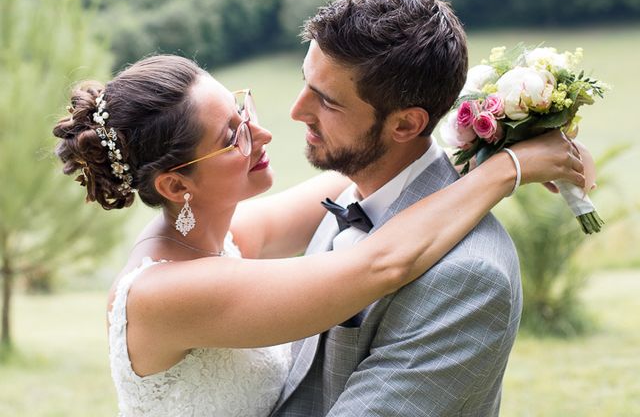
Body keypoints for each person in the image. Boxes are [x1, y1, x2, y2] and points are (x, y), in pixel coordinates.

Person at [52, 52, 583, 417]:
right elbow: (382, 264)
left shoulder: (217, 234)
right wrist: (508, 168)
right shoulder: (163, 294)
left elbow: (377, 165)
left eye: (241, 108)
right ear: (175, 183)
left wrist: (491, 118)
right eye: (232, 135)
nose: (260, 131)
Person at [269, 0, 586, 417]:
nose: (297, 110)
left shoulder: (470, 277)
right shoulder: (353, 195)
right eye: (306, 82)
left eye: (327, 101)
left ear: (405, 125)